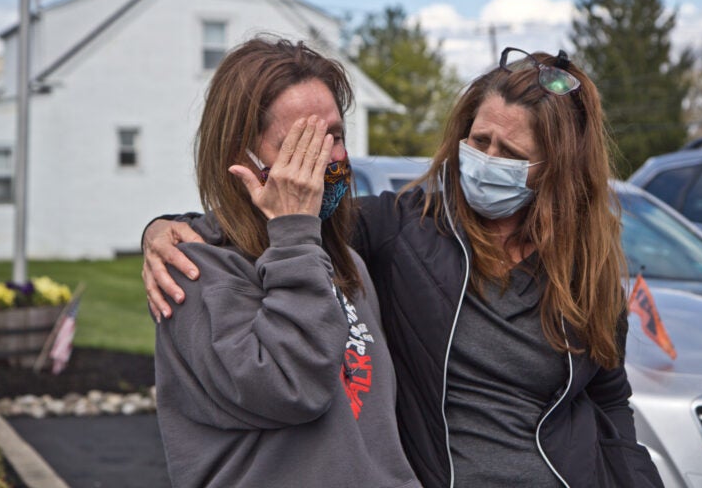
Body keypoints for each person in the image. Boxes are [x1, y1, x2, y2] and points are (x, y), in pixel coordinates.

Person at [143, 46, 664, 487]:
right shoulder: (402, 231)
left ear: (556, 170)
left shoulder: (583, 272)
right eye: (479, 141)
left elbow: (609, 401)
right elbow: (254, 227)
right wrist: (161, 229)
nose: (487, 159)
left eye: (511, 153)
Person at [150, 36, 421, 488]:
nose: (332, 158)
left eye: (336, 135)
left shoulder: (343, 261)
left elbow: (373, 429)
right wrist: (294, 231)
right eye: (305, 144)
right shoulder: (194, 271)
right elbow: (291, 388)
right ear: (242, 160)